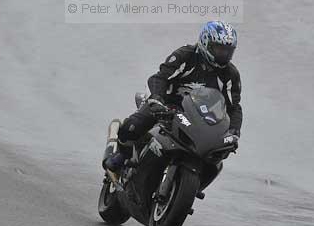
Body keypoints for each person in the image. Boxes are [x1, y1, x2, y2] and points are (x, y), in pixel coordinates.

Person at [103, 20, 242, 177]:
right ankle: (121, 155)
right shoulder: (185, 55)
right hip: (167, 105)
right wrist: (156, 99)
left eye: (228, 51)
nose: (224, 55)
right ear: (206, 43)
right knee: (132, 126)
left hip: (200, 118)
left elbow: (233, 107)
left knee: (214, 158)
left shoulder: (230, 74)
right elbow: (159, 78)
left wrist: (234, 130)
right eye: (219, 49)